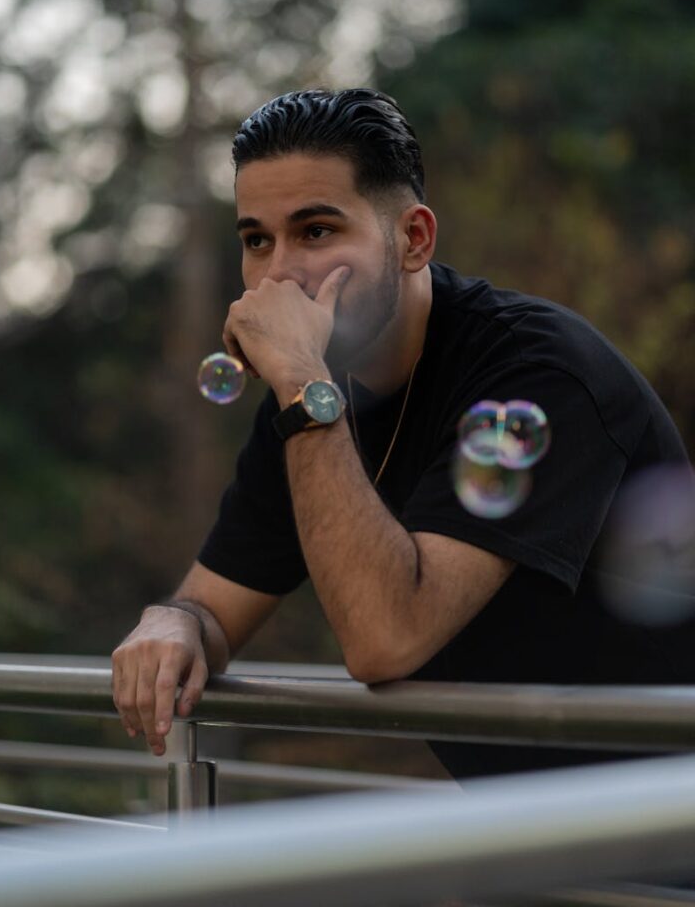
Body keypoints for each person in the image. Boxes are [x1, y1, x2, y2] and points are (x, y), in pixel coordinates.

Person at [112, 87, 691, 780]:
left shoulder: (536, 373)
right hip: (544, 818)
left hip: (662, 802)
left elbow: (386, 641)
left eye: (316, 231)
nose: (279, 274)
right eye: (257, 240)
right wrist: (174, 620)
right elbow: (212, 608)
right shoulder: (313, 398)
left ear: (413, 239)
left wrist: (300, 382)